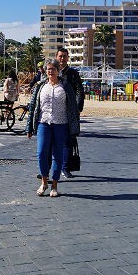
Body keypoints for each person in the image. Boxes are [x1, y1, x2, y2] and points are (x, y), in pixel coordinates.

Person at [26, 58, 80, 198]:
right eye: (48, 69)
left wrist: (74, 129)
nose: (51, 71)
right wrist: (29, 127)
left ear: (58, 70)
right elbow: (33, 107)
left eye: (53, 69)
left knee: (58, 154)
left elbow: (73, 108)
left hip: (61, 125)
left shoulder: (65, 86)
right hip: (43, 123)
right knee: (41, 153)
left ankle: (54, 185)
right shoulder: (41, 86)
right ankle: (44, 182)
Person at [57, 48, 84, 179]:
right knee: (52, 141)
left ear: (68, 58)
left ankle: (65, 167)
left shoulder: (73, 73)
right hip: (54, 111)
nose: (62, 59)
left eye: (64, 56)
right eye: (60, 56)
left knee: (68, 140)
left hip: (69, 111)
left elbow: (79, 90)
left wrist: (78, 108)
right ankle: (49, 168)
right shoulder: (52, 71)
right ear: (56, 57)